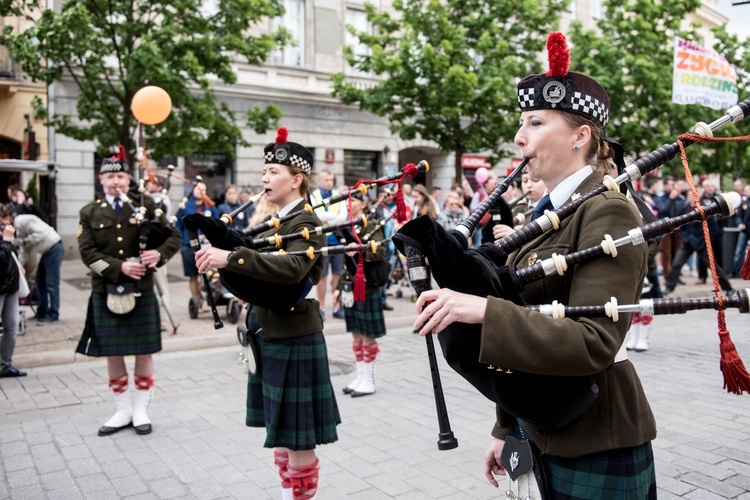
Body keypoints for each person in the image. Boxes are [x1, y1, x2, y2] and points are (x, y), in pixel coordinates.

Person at [413, 32, 656, 497]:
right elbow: (523, 323)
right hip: (542, 422)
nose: (519, 137)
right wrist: (508, 428)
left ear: (581, 136)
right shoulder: (545, 213)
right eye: (522, 122)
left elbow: (593, 341)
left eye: (536, 123)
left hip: (597, 434)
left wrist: (482, 310)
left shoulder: (607, 209)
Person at [194, 127, 340, 500]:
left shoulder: (306, 223)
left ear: (297, 179)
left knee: (296, 437)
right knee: (280, 433)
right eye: (264, 171)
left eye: (273, 171)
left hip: (294, 335)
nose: (264, 178)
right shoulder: (279, 220)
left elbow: (290, 269)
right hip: (270, 332)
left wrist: (231, 257)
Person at [75, 154, 181, 436]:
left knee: (143, 350)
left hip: (141, 289)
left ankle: (141, 409)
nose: (115, 182)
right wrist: (119, 266)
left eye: (120, 176)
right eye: (109, 177)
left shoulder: (146, 205)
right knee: (113, 351)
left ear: (128, 179)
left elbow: (174, 237)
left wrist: (158, 254)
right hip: (105, 288)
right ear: (101, 180)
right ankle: (122, 409)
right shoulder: (89, 212)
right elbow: (87, 253)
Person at [337, 194, 388, 397]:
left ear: (364, 204)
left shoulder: (371, 224)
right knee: (356, 333)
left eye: (354, 200)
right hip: (351, 287)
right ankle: (360, 377)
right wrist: (339, 288)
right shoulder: (346, 226)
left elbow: (381, 251)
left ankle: (369, 381)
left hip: (368, 287)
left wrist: (359, 249)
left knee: (367, 335)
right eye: (348, 201)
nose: (350, 204)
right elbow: (344, 261)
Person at [663, 189, 735, 296]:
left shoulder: (704, 209)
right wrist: (686, 237)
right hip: (688, 242)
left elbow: (713, 228)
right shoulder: (684, 208)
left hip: (701, 242)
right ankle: (669, 286)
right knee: (677, 264)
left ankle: (728, 288)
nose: (690, 197)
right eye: (689, 195)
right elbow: (681, 225)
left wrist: (706, 240)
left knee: (713, 267)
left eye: (693, 195)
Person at [11, 212, 64, 324]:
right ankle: (42, 311)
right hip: (46, 251)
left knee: (51, 283)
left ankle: (53, 313)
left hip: (53, 247)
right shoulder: (18, 231)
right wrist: (17, 265)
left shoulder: (23, 221)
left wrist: (24, 241)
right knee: (39, 282)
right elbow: (25, 252)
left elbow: (39, 234)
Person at [175, 182, 219, 311]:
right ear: (192, 190)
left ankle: (204, 301)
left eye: (203, 189)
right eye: (197, 188)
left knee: (205, 274)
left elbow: (217, 223)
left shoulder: (210, 207)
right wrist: (184, 241)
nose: (199, 191)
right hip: (189, 246)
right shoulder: (185, 206)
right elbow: (178, 226)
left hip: (206, 245)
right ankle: (196, 301)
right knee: (193, 275)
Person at [311, 169, 348, 321]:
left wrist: (329, 220)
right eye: (326, 179)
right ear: (320, 181)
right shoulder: (314, 196)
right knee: (322, 277)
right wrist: (334, 218)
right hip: (322, 241)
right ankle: (320, 308)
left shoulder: (338, 196)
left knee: (337, 276)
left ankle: (337, 306)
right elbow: (317, 215)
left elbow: (343, 216)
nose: (329, 182)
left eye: (331, 180)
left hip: (337, 240)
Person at [0, 204, 27, 378]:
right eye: (4, 217)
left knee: (11, 326)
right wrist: (6, 240)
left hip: (10, 285)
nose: (8, 221)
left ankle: (5, 365)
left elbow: (8, 255)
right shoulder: (5, 236)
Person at [731, 184, 750, 277]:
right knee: (739, 252)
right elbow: (738, 216)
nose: (746, 193)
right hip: (745, 230)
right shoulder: (744, 203)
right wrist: (740, 223)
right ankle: (735, 272)